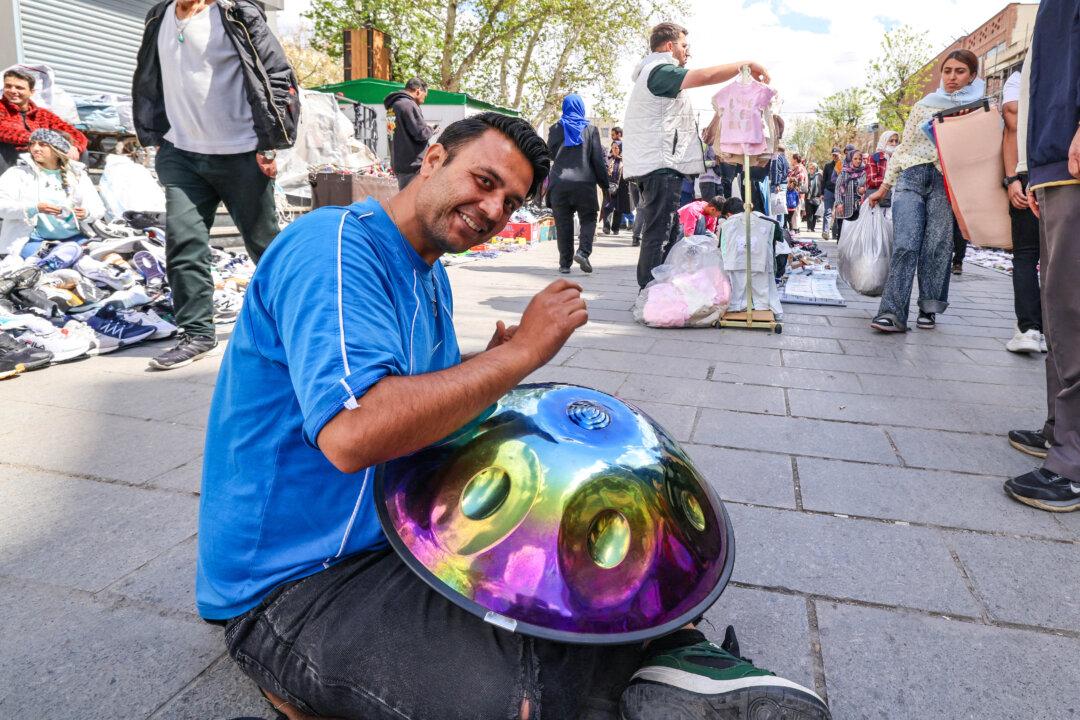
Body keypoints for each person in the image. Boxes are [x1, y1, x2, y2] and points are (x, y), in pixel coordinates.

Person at [197, 112, 832, 720]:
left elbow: (418, 399)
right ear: (434, 157)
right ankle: (656, 665)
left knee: (582, 588)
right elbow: (354, 429)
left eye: (513, 201)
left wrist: (487, 363)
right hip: (296, 584)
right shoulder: (333, 246)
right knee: (511, 699)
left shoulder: (429, 276)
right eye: (485, 182)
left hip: (401, 540)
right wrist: (522, 356)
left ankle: (664, 657)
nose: (495, 211)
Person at [133, 0, 300, 370]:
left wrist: (270, 141)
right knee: (183, 242)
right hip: (180, 153)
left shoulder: (237, 13)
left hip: (242, 151)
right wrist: (157, 134)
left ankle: (296, 326)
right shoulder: (159, 16)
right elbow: (150, 76)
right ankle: (196, 334)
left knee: (265, 246)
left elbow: (276, 74)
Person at [622, 21, 770, 289]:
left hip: (659, 163)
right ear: (670, 46)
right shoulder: (660, 70)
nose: (687, 51)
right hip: (661, 164)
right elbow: (704, 77)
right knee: (659, 230)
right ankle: (649, 290)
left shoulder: (654, 72)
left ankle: (659, 285)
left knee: (669, 228)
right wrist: (744, 64)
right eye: (684, 45)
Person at [1004, 0, 1080, 513]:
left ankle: (1073, 459)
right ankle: (1062, 429)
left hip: (1069, 159)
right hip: (1054, 162)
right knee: (1059, 309)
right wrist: (1031, 166)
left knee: (1073, 309)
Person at [867, 50, 983, 333]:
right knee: (906, 244)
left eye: (960, 71)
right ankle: (892, 313)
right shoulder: (924, 104)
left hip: (946, 181)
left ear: (972, 76)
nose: (952, 77)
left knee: (938, 246)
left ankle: (929, 308)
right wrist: (883, 187)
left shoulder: (980, 109)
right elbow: (905, 147)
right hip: (911, 176)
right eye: (947, 71)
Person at [0, 128, 104, 259]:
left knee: (107, 255)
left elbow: (98, 208)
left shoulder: (77, 174)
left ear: (57, 149)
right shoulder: (17, 174)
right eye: (32, 143)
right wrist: (33, 208)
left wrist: (86, 213)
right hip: (33, 242)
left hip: (75, 238)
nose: (35, 148)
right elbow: (2, 207)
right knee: (65, 258)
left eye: (42, 144)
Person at [1000, 66, 1043, 354]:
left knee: (1026, 254)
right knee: (1062, 257)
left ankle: (1029, 329)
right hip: (1065, 170)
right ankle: (1056, 331)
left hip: (1028, 171)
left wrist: (1012, 178)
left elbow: (1012, 122)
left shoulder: (1021, 76)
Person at [546, 94, 608, 274]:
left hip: (559, 183)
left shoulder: (556, 128)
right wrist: (605, 184)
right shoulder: (590, 129)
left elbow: (549, 153)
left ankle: (565, 264)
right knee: (588, 218)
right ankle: (583, 252)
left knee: (563, 223)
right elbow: (597, 160)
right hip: (584, 183)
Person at [0, 67, 87, 176]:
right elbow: (4, 132)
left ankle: (74, 185)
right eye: (8, 86)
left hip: (41, 153)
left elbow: (74, 133)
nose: (13, 91)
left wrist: (74, 147)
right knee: (3, 147)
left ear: (31, 92)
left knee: (80, 151)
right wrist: (43, 139)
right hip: (12, 153)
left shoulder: (42, 114)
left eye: (19, 87)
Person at [384, 78, 434, 189]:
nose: (424, 100)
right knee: (414, 202)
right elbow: (421, 134)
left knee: (405, 200)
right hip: (413, 166)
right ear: (418, 91)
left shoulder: (393, 106)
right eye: (424, 96)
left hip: (400, 164)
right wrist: (431, 129)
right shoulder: (408, 105)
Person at [833, 149, 867, 239]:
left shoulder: (864, 172)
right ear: (851, 159)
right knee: (842, 235)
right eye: (855, 158)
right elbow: (837, 189)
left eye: (860, 159)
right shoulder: (844, 172)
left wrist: (863, 190)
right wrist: (839, 203)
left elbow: (865, 187)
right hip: (844, 207)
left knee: (856, 235)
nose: (858, 161)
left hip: (859, 208)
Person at [602, 140, 632, 235]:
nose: (614, 150)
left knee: (618, 208)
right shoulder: (608, 158)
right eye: (613, 147)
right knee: (607, 207)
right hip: (608, 186)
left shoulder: (624, 160)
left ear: (620, 149)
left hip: (620, 186)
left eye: (616, 148)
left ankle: (616, 228)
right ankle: (606, 226)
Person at [865, 131, 898, 208]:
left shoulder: (901, 158)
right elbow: (871, 181)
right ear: (884, 141)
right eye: (891, 141)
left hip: (897, 200)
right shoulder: (875, 158)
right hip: (879, 202)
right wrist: (892, 179)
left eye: (896, 141)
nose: (894, 144)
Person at [820, 147, 840, 238]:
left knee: (838, 213)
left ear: (840, 154)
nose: (835, 156)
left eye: (836, 154)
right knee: (827, 212)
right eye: (833, 155)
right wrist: (822, 193)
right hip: (828, 191)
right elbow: (823, 180)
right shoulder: (827, 166)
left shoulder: (843, 165)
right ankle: (825, 232)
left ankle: (835, 233)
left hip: (840, 192)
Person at [805, 161, 823, 233]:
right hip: (808, 196)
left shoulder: (819, 176)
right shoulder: (807, 175)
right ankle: (809, 227)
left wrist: (822, 194)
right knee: (809, 213)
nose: (811, 169)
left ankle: (813, 227)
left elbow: (822, 186)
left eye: (813, 168)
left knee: (815, 214)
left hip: (817, 197)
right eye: (810, 168)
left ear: (816, 169)